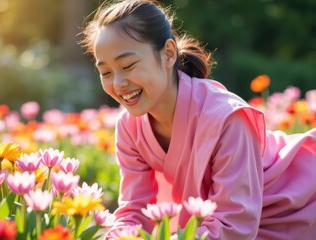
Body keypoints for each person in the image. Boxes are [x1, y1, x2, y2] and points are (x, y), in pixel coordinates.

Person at [80, 0, 316, 239]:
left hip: (295, 213)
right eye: (106, 72)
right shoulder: (129, 126)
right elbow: (135, 212)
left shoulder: (227, 119)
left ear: (169, 54)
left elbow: (235, 225)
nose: (118, 83)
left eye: (128, 65)